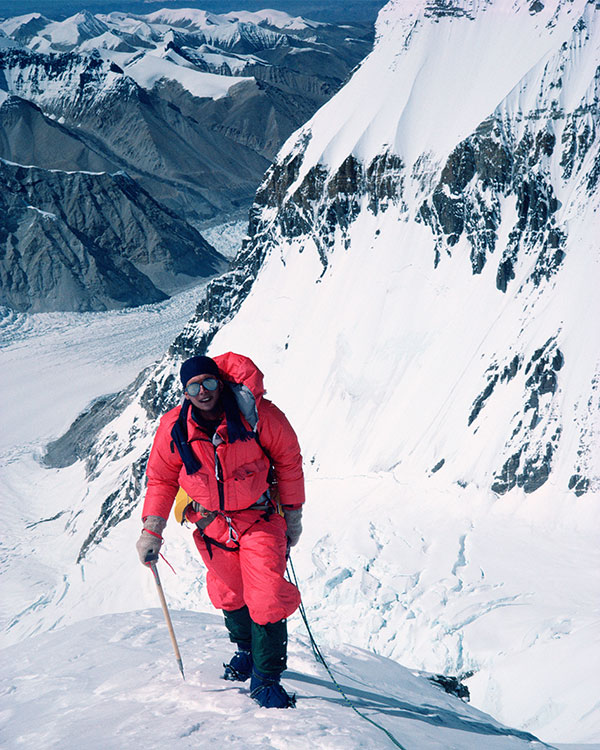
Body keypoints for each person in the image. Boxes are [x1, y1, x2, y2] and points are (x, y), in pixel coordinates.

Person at [136, 352, 304, 708]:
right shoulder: (174, 428)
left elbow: (288, 460)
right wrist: (153, 530)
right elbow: (162, 479)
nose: (203, 392)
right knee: (230, 593)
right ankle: (246, 652)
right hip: (211, 523)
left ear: (220, 382)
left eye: (209, 382)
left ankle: (266, 677)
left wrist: (292, 516)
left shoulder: (257, 415)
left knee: (267, 595)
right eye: (193, 386)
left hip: (258, 517)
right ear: (184, 392)